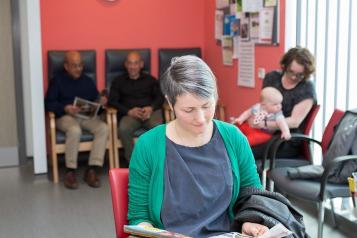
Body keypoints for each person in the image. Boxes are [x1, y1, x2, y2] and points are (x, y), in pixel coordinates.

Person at [128, 55, 268, 238]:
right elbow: (139, 217)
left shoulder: (234, 138)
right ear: (170, 103)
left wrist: (250, 220)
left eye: (206, 106)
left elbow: (252, 194)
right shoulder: (148, 145)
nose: (201, 119)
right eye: (189, 110)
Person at [45, 51, 109, 189]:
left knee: (103, 128)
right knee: (74, 130)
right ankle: (70, 171)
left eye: (81, 65)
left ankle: (92, 169)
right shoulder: (57, 81)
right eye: (74, 66)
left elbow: (96, 103)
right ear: (66, 66)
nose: (78, 69)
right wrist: (65, 108)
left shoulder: (87, 80)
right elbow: (49, 103)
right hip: (65, 116)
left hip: (85, 115)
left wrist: (101, 102)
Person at [251, 46, 316, 159]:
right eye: (291, 72)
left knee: (245, 151)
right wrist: (252, 120)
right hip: (266, 132)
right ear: (285, 66)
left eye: (300, 75)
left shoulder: (306, 88)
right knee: (235, 142)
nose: (294, 77)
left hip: (287, 139)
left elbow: (294, 122)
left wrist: (264, 125)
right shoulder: (272, 78)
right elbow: (265, 106)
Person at [108, 51, 164, 162]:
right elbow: (112, 101)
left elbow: (160, 97)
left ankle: (155, 161)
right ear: (126, 64)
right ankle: (134, 162)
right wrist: (129, 111)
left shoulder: (151, 80)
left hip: (150, 113)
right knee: (124, 129)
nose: (133, 67)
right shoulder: (118, 81)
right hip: (130, 114)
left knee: (158, 128)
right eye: (130, 63)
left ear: (141, 64)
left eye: (136, 63)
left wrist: (151, 108)